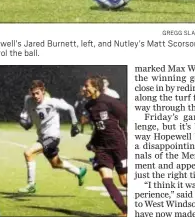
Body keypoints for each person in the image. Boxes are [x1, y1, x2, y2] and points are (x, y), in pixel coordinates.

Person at [18, 79, 87, 193]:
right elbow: (25, 113)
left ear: (43, 91)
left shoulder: (52, 102)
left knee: (28, 153)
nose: (35, 96)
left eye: (38, 93)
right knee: (56, 164)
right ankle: (79, 172)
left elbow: (70, 108)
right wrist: (24, 120)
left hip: (53, 137)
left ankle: (31, 185)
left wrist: (74, 125)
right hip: (42, 137)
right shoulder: (28, 100)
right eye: (33, 93)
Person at [83, 76, 127, 216]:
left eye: (87, 86)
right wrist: (92, 142)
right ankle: (125, 210)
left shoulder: (110, 102)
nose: (84, 89)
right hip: (102, 148)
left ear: (95, 87)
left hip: (118, 144)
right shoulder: (89, 106)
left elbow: (127, 116)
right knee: (105, 178)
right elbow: (98, 126)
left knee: (125, 180)